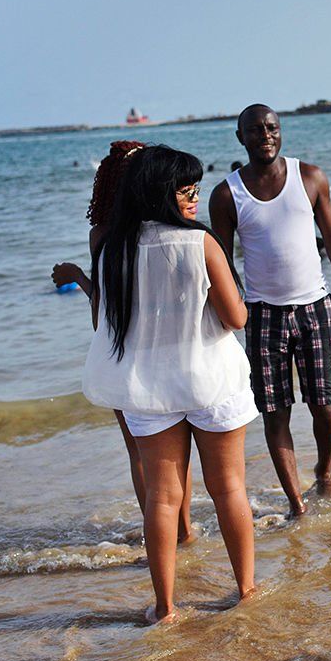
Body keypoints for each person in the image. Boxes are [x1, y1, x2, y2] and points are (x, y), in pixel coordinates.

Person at [82, 145, 259, 625]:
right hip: (210, 380)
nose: (195, 199)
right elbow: (236, 318)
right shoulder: (199, 243)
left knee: (162, 498)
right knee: (229, 488)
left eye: (196, 189)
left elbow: (107, 324)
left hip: (147, 389)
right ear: (161, 192)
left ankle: (164, 608)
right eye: (186, 191)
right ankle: (245, 590)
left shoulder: (112, 249)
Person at [210, 104, 331, 517]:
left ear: (280, 132)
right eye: (255, 130)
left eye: (271, 128)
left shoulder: (310, 177)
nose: (265, 136)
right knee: (275, 412)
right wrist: (232, 310)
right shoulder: (227, 195)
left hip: (315, 308)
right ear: (240, 137)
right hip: (262, 315)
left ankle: (323, 470)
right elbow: (221, 261)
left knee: (326, 407)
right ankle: (296, 504)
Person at [52, 141, 194, 546]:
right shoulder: (174, 225)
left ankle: (164, 535)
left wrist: (78, 277)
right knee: (177, 453)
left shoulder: (104, 235)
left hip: (125, 353)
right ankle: (183, 531)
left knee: (141, 452)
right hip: (172, 349)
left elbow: (104, 315)